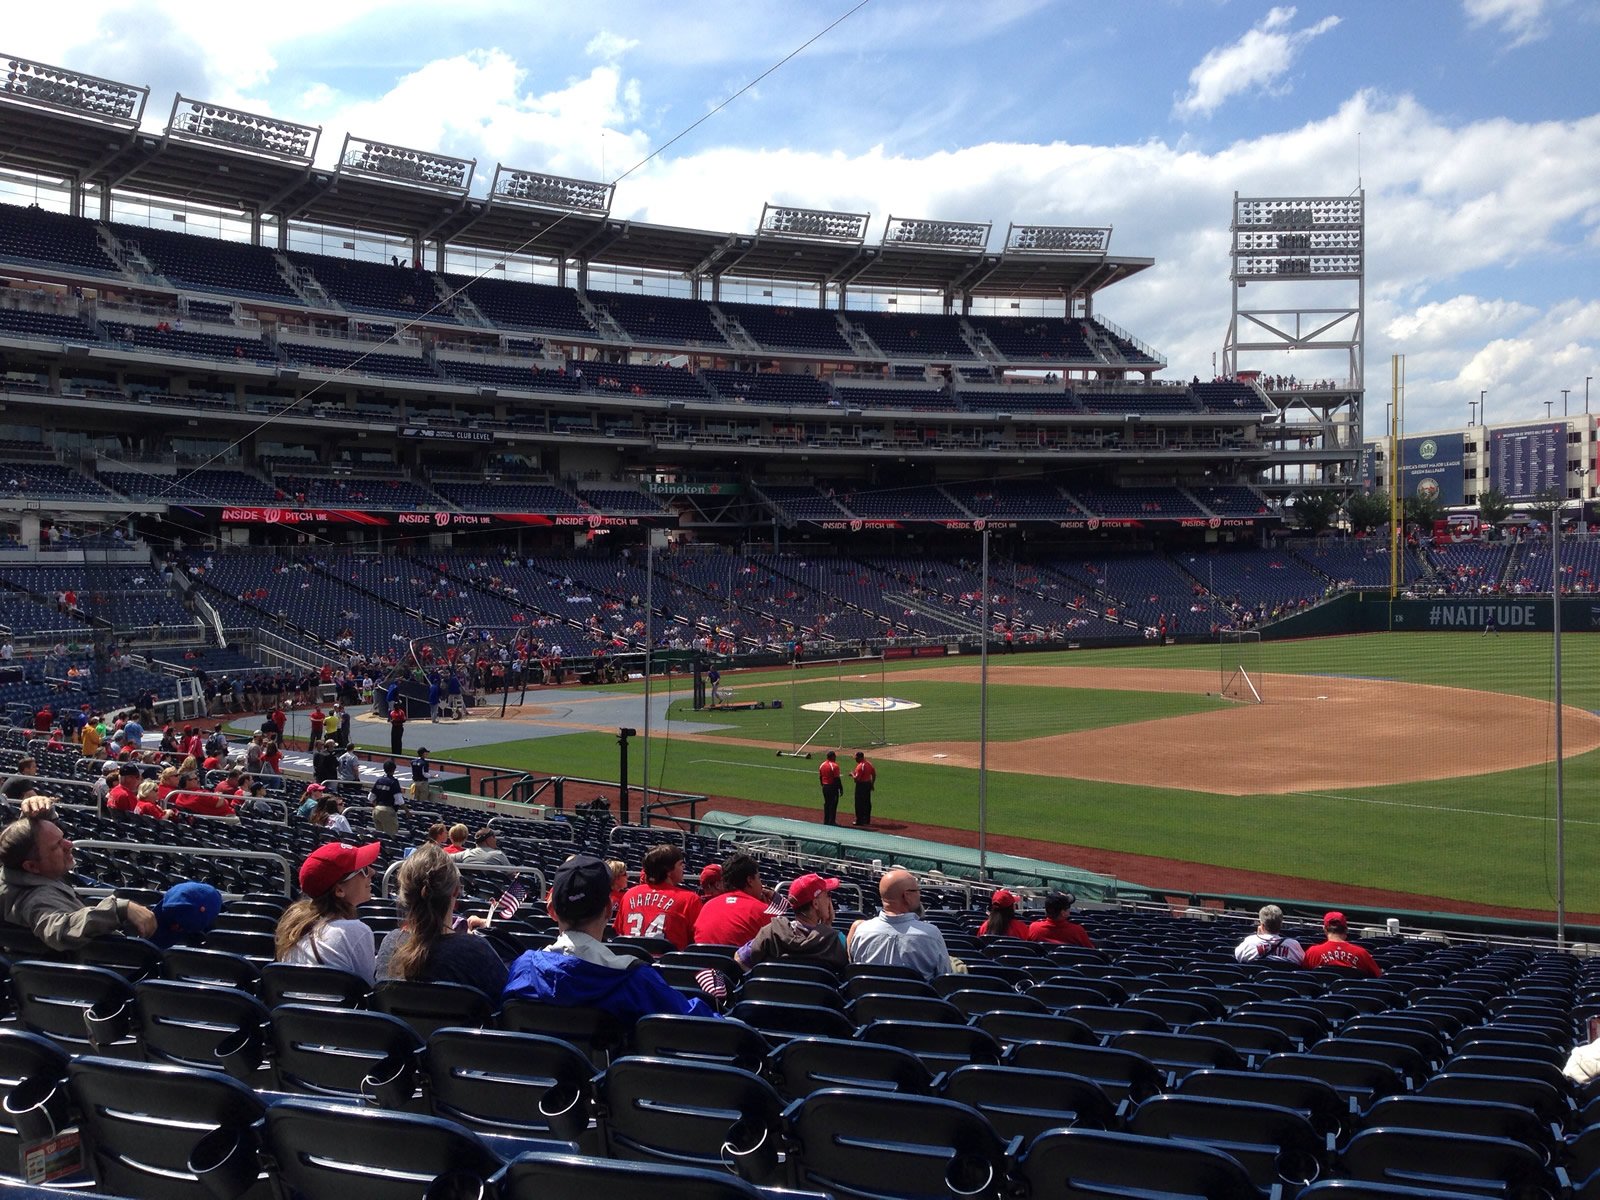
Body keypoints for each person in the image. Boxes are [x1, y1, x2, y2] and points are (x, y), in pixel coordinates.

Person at [503, 854, 717, 1020]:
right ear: (608, 908)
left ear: (552, 911)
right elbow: (699, 1024)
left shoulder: (522, 969)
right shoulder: (635, 980)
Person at [0, 801, 158, 947]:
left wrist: (36, 817)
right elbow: (58, 929)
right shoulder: (37, 898)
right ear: (32, 866)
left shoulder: (13, 873)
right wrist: (119, 909)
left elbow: (23, 844)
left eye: (63, 838)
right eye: (57, 846)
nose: (69, 845)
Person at [375, 843, 507, 993]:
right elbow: (508, 1003)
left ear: (405, 894)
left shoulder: (390, 943)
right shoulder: (476, 950)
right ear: (456, 892)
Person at [274, 840, 381, 983]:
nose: (372, 872)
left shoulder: (295, 925)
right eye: (364, 870)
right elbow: (368, 989)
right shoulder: (354, 931)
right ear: (339, 890)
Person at [847, 869, 952, 980]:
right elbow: (944, 979)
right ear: (907, 896)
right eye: (917, 890)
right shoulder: (931, 934)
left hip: (869, 996)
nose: (919, 894)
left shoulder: (861, 931)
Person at [733, 873, 846, 974]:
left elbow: (739, 960)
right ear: (815, 904)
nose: (830, 900)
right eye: (828, 895)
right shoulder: (837, 940)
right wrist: (827, 928)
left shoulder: (771, 932)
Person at [614, 844, 703, 950]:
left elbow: (620, 932)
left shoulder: (629, 895)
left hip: (632, 962)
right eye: (680, 864)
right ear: (668, 871)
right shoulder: (689, 899)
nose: (683, 867)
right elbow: (697, 941)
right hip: (669, 964)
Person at [692, 853, 771, 946]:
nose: (761, 885)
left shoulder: (706, 907)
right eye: (758, 878)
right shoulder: (763, 910)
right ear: (750, 881)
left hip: (700, 960)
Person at [1302, 911, 1383, 976]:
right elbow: (1378, 977)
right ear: (1346, 930)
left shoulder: (1312, 953)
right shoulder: (1361, 954)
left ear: (1325, 930)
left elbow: (1304, 979)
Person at [1233, 903, 1306, 965]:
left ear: (1261, 925)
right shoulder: (1294, 945)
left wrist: (1258, 937)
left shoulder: (1250, 942)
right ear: (1281, 924)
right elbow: (1303, 962)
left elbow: (1237, 957)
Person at [1027, 891, 1094, 947]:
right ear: (1063, 913)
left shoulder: (1034, 928)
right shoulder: (1077, 931)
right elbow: (1092, 953)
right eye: (1068, 907)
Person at [370, 760, 405, 835]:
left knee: (379, 836)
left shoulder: (379, 780)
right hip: (388, 810)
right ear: (394, 770)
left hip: (376, 810)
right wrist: (407, 811)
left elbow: (371, 797)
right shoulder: (394, 782)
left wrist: (377, 806)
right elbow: (399, 800)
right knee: (390, 836)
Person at [851, 751, 876, 827]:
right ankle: (867, 819)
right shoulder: (869, 764)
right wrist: (872, 783)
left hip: (861, 786)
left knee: (859, 803)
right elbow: (874, 774)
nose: (855, 759)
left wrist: (852, 774)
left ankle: (859, 820)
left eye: (856, 758)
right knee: (867, 802)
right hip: (868, 784)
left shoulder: (860, 766)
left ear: (860, 757)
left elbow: (856, 779)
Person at [817, 750, 842, 826]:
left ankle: (826, 820)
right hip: (832, 787)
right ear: (832, 757)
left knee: (827, 803)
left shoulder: (822, 765)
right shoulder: (834, 766)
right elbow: (837, 779)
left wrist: (823, 785)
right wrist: (840, 788)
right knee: (833, 804)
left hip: (825, 787)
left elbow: (820, 777)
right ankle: (832, 821)